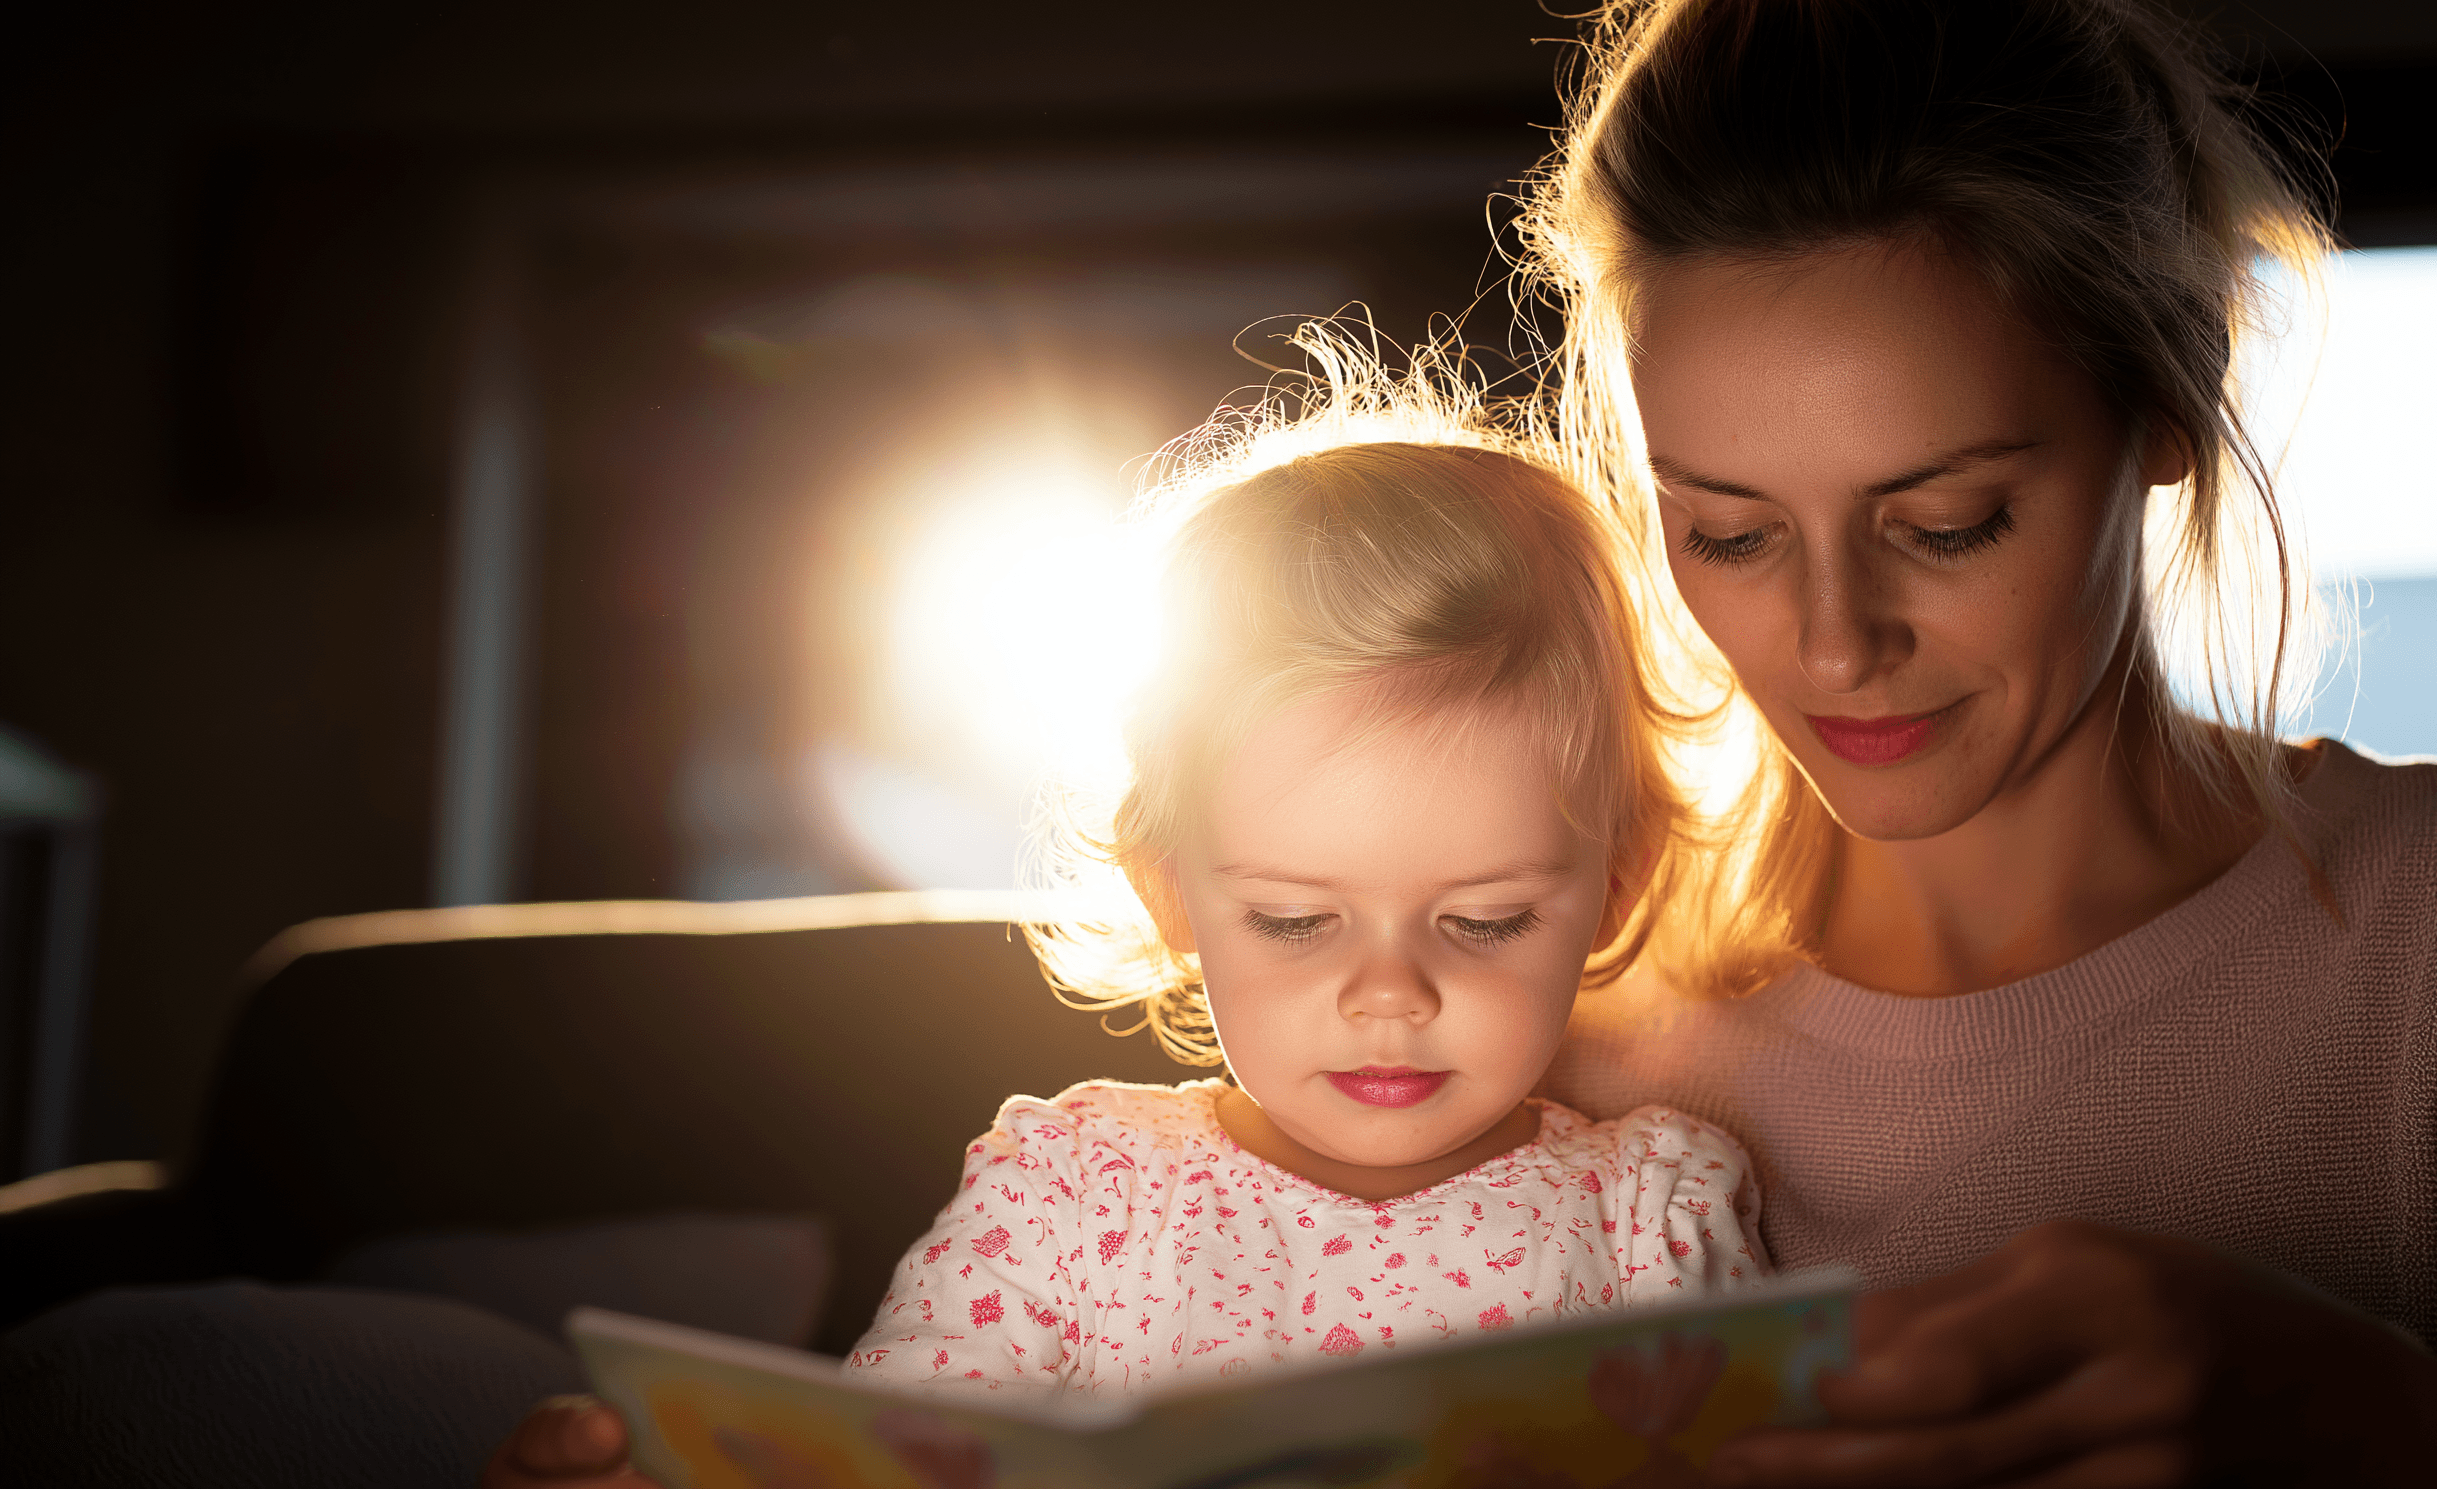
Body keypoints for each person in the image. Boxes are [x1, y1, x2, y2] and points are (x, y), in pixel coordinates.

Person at [1508, 0, 2437, 1484]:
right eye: (1726, 533)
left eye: (1946, 520)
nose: (1836, 639)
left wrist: (2380, 1430)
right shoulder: (1537, 1006)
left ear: (2167, 391)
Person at [485, 390, 1770, 1477]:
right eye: (1293, 919)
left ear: (1614, 888)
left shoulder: (1648, 1215)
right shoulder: (1072, 1197)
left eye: (1483, 922)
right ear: (1168, 894)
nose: (1389, 996)